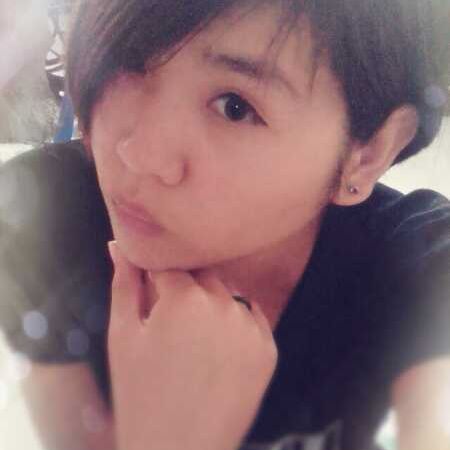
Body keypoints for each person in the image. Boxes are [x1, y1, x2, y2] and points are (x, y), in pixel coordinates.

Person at [0, 0, 449, 449]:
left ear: (366, 155)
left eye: (235, 107)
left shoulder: (420, 272)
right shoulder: (38, 218)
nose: (138, 154)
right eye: (128, 61)